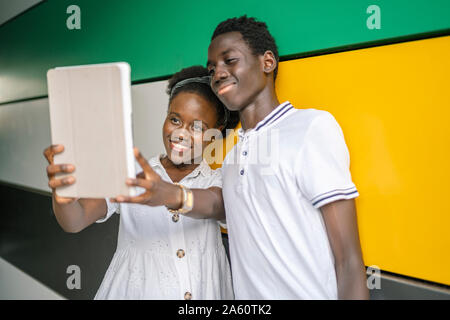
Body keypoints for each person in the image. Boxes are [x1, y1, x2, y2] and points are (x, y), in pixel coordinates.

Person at [205, 16, 369, 299]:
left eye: (229, 60)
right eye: (212, 69)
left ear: (267, 62)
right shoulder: (231, 158)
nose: (218, 74)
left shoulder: (311, 128)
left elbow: (349, 262)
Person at [43, 66, 238, 300]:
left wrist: (170, 194)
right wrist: (64, 195)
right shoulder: (130, 173)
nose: (181, 134)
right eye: (175, 120)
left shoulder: (217, 181)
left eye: (197, 127)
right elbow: (75, 221)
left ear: (216, 133)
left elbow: (217, 206)